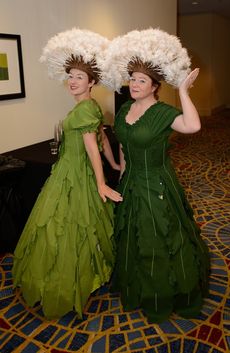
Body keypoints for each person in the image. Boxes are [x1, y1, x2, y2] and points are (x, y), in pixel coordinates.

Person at [12, 28, 122, 319]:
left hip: (74, 171)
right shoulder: (91, 106)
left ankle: (69, 278)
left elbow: (92, 147)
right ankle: (92, 269)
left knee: (68, 224)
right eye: (70, 76)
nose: (72, 82)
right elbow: (102, 135)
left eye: (79, 77)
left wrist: (101, 180)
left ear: (92, 82)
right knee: (80, 224)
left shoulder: (84, 109)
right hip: (73, 168)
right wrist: (113, 164)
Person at [104, 28, 210, 323]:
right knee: (132, 236)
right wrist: (121, 174)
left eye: (142, 81)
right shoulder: (125, 108)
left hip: (157, 184)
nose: (135, 84)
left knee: (159, 236)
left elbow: (193, 126)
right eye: (133, 79)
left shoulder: (163, 112)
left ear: (154, 86)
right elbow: (124, 145)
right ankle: (136, 285)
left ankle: (164, 293)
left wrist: (184, 92)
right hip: (131, 182)